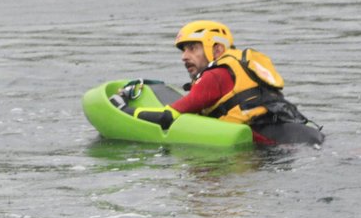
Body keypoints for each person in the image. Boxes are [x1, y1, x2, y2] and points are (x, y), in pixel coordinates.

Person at [130, 20, 319, 144]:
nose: (184, 57)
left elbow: (167, 117)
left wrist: (128, 111)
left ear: (217, 49)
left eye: (193, 48)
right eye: (183, 51)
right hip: (307, 135)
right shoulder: (238, 68)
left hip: (285, 148)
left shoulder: (215, 76)